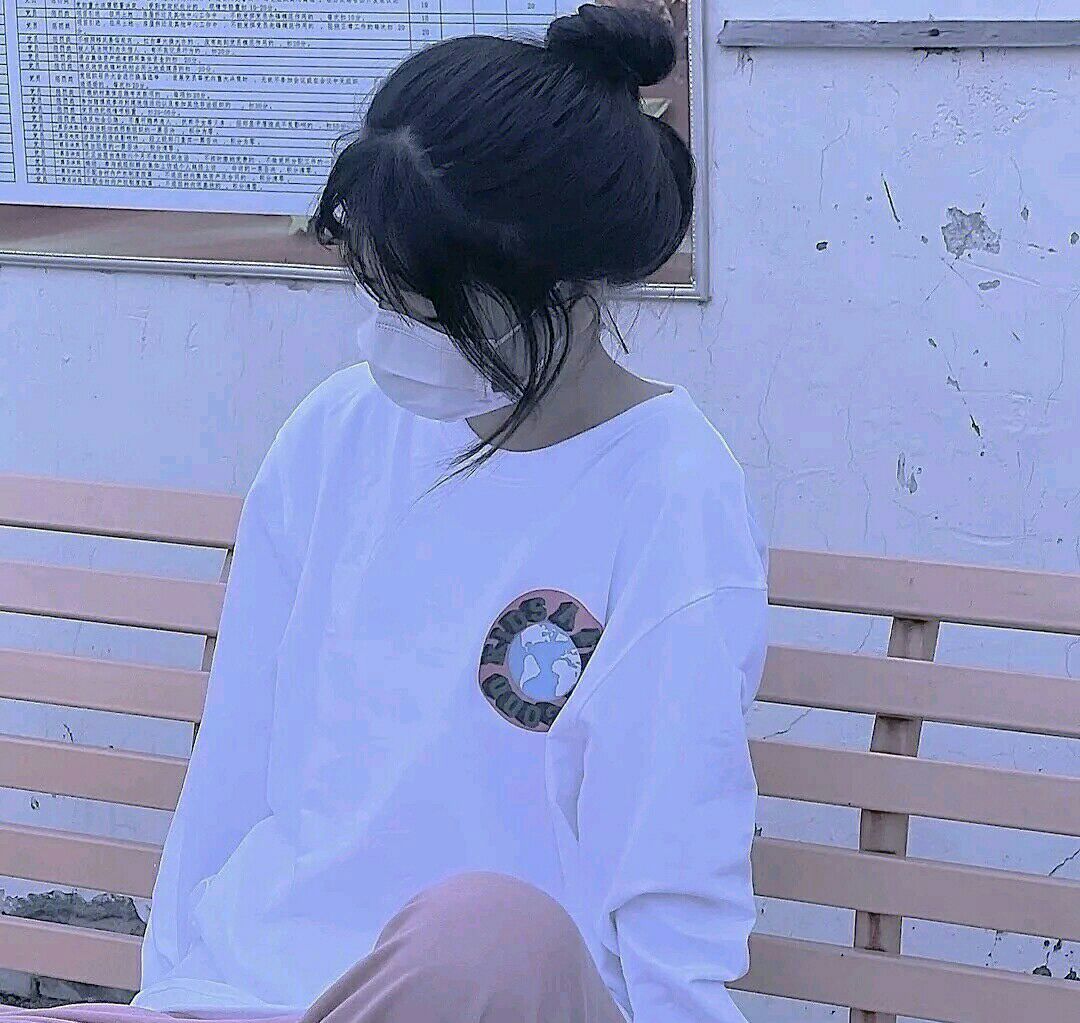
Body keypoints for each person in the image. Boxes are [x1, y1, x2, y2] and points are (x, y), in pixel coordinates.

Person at [3, 3, 768, 1022]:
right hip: (256, 995)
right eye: (377, 292)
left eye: (424, 306)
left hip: (496, 997)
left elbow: (674, 859)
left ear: (566, 288)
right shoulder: (338, 433)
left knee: (489, 931)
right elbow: (234, 767)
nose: (387, 335)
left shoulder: (670, 491)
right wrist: (173, 993)